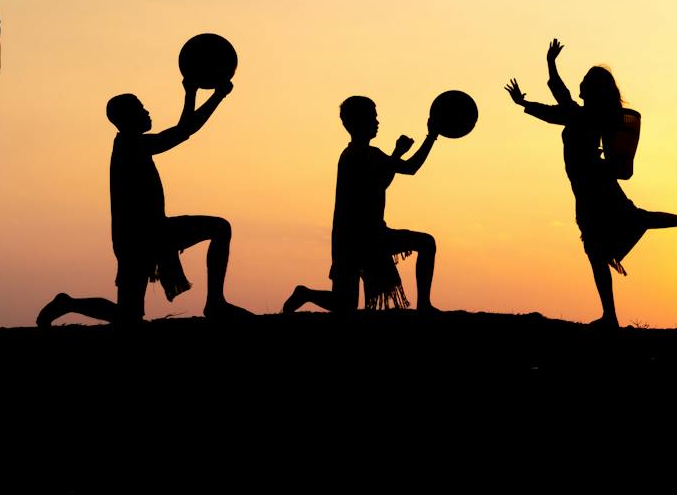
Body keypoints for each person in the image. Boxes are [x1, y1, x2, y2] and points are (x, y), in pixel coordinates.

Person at [506, 38, 677, 328]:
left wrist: (550, 63)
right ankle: (610, 315)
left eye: (585, 80)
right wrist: (524, 102)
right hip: (588, 186)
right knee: (610, 239)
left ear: (592, 90)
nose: (580, 83)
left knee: (608, 239)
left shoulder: (581, 115)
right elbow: (551, 110)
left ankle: (611, 315)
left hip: (593, 184)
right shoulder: (582, 115)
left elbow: (558, 96)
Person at [38, 80, 254, 325]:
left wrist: (200, 94)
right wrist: (209, 95)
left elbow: (182, 130)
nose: (147, 112)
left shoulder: (129, 144)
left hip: (137, 237)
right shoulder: (132, 145)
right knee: (220, 228)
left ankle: (68, 303)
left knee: (127, 315)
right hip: (143, 237)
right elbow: (183, 132)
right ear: (128, 119)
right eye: (141, 109)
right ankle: (215, 303)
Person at [282, 96, 440, 313]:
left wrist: (411, 146)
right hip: (360, 239)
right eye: (372, 117)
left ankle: (304, 294)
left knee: (344, 303)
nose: (377, 122)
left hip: (358, 238)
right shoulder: (358, 156)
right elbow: (396, 175)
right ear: (358, 122)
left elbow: (395, 176)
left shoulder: (363, 154)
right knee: (425, 243)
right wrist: (420, 142)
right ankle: (424, 305)